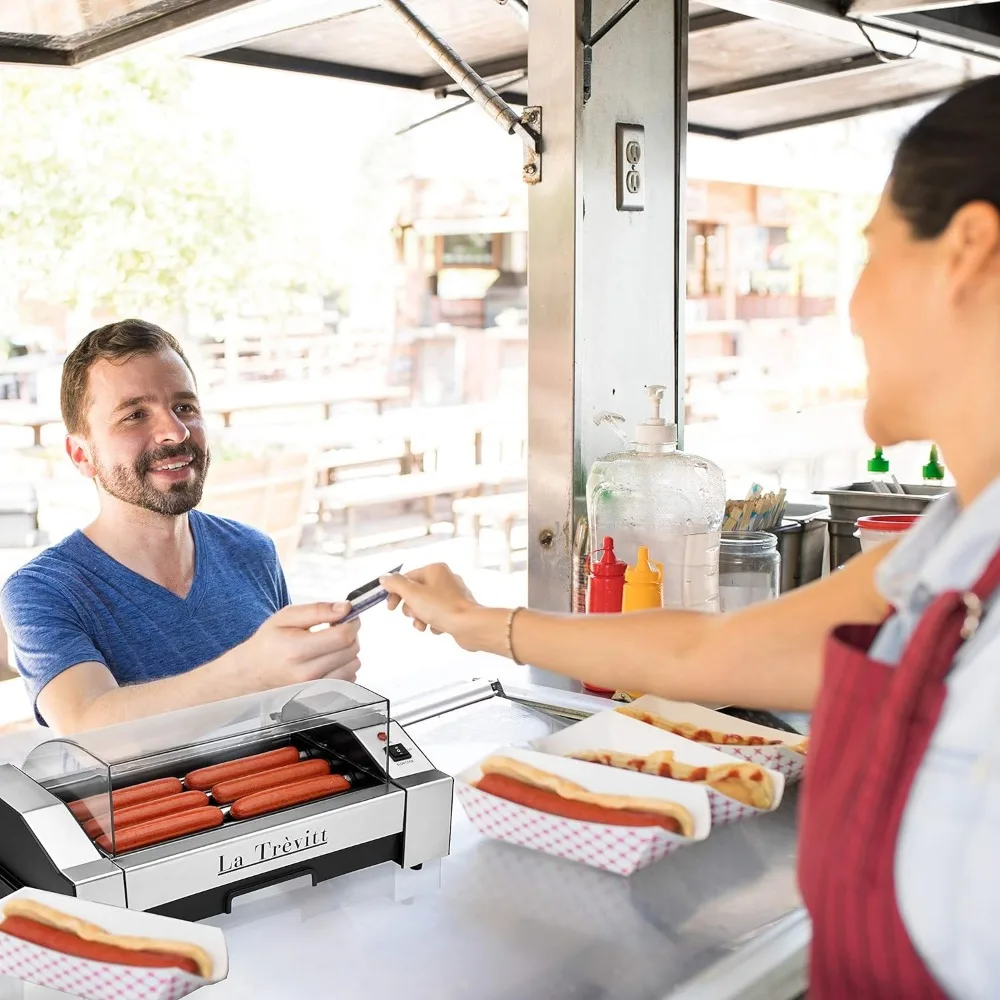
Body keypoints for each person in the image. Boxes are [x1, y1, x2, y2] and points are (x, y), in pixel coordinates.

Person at [382, 79, 1000, 1000]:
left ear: (967, 251)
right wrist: (482, 623)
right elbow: (711, 645)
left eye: (872, 256)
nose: (854, 306)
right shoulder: (958, 546)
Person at [0, 320, 361, 734]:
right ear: (82, 455)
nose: (175, 431)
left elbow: (282, 713)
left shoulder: (252, 550)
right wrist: (253, 673)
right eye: (135, 415)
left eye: (185, 407)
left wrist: (315, 681)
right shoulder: (42, 591)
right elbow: (87, 726)